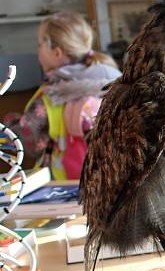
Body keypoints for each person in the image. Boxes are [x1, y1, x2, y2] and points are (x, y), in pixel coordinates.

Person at [4, 12, 120, 180]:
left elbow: (28, 141)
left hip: (62, 182)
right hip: (109, 179)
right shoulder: (114, 81)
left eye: (40, 44)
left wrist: (9, 125)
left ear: (57, 53)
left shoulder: (51, 94)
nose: (37, 51)